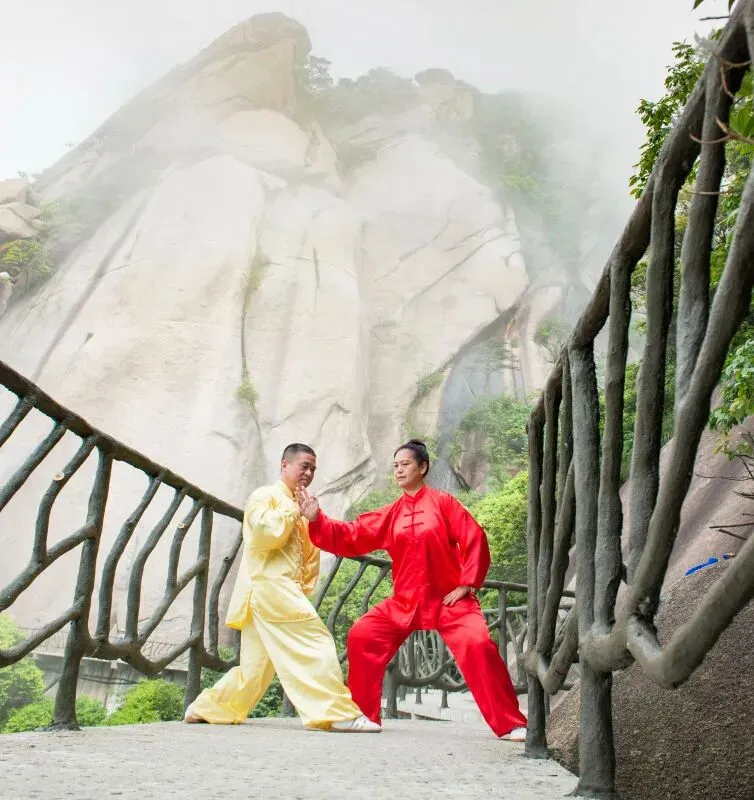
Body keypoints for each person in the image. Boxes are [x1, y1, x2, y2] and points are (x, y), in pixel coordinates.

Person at [296, 439, 527, 741]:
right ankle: (364, 715)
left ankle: (510, 723)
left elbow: (474, 536)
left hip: (447, 600)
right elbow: (354, 534)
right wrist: (317, 519)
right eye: (395, 466)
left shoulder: (444, 504)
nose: (399, 470)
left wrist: (467, 583)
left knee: (477, 644)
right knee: (362, 634)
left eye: (405, 464)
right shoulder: (392, 513)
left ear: (423, 467)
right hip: (405, 602)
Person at [185, 443, 380, 733]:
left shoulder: (299, 503)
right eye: (304, 466)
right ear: (284, 465)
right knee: (316, 642)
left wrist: (310, 517)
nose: (309, 473)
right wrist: (295, 511)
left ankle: (206, 708)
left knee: (254, 669)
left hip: (278, 590)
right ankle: (336, 714)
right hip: (271, 586)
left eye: (313, 468)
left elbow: (308, 554)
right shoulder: (265, 496)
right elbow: (264, 534)